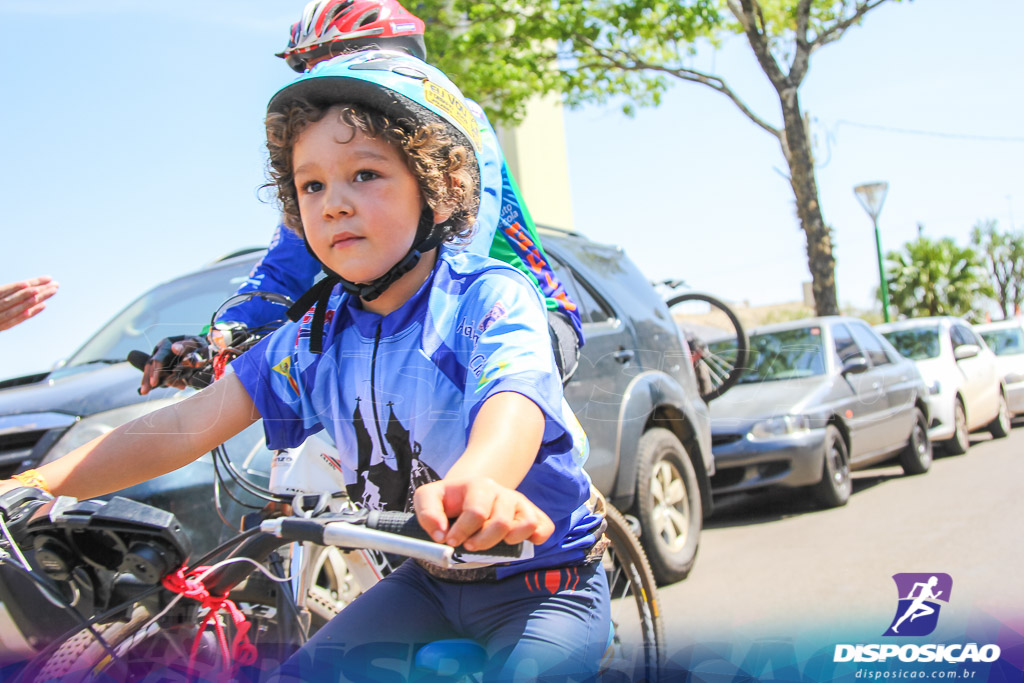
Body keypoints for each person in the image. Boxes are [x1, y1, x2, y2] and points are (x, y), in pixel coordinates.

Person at [4, 51, 609, 681]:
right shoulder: (309, 337)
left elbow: (511, 404)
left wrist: (482, 481)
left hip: (544, 583)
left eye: (366, 174)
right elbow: (184, 424)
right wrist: (36, 486)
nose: (333, 204)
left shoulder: (488, 296)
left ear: (439, 189)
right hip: (426, 582)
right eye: (312, 185)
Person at [139, 0, 582, 396]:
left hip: (524, 310)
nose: (333, 89)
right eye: (313, 75)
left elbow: (464, 237)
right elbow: (286, 263)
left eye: (344, 67)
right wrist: (217, 338)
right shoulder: (332, 182)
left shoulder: (454, 122)